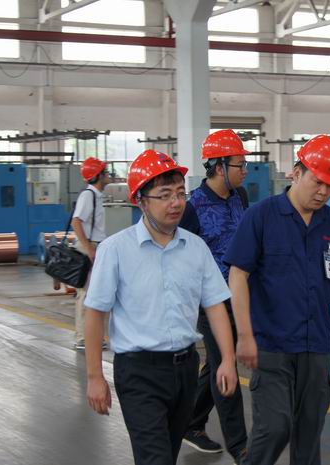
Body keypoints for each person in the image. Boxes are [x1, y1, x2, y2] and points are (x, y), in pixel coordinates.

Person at [83, 149, 238, 465]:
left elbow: (215, 306)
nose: (176, 202)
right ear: (141, 200)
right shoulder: (115, 250)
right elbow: (95, 314)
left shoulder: (195, 248)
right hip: (139, 372)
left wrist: (227, 360)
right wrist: (94, 375)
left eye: (180, 193)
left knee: (167, 454)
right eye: (165, 195)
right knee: (155, 458)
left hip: (185, 369)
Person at [225, 134, 330, 465]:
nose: (323, 192)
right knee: (274, 427)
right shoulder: (261, 216)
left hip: (317, 346)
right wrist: (244, 335)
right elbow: (237, 275)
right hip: (272, 346)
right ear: (296, 172)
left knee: (310, 435)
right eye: (318, 182)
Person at [179, 129, 250, 461]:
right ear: (219, 167)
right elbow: (180, 257)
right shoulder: (192, 207)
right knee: (225, 364)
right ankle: (240, 446)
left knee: (218, 363)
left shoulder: (240, 197)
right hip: (209, 301)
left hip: (239, 295)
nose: (245, 170)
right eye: (239, 164)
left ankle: (191, 422)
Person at [72, 157, 110, 350]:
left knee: (95, 293)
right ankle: (82, 338)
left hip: (96, 246)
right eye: (105, 172)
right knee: (86, 294)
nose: (108, 175)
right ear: (97, 176)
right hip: (89, 247)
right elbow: (76, 221)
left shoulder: (97, 196)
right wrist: (89, 249)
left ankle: (93, 337)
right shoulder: (89, 195)